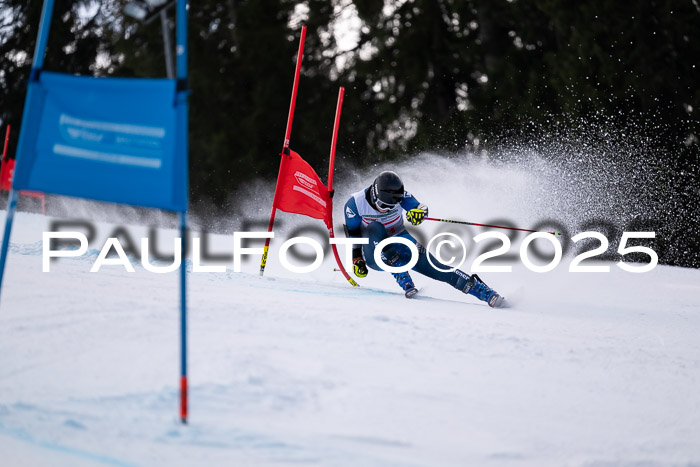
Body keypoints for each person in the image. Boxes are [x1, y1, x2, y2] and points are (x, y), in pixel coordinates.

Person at [343, 170, 505, 308]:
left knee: (439, 268)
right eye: (384, 206)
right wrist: (356, 258)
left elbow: (420, 208)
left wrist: (419, 214)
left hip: (400, 242)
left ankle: (485, 293)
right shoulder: (355, 204)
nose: (387, 210)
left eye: (392, 207)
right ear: (374, 195)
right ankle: (402, 275)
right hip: (374, 251)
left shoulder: (400, 197)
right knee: (374, 227)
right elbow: (353, 232)